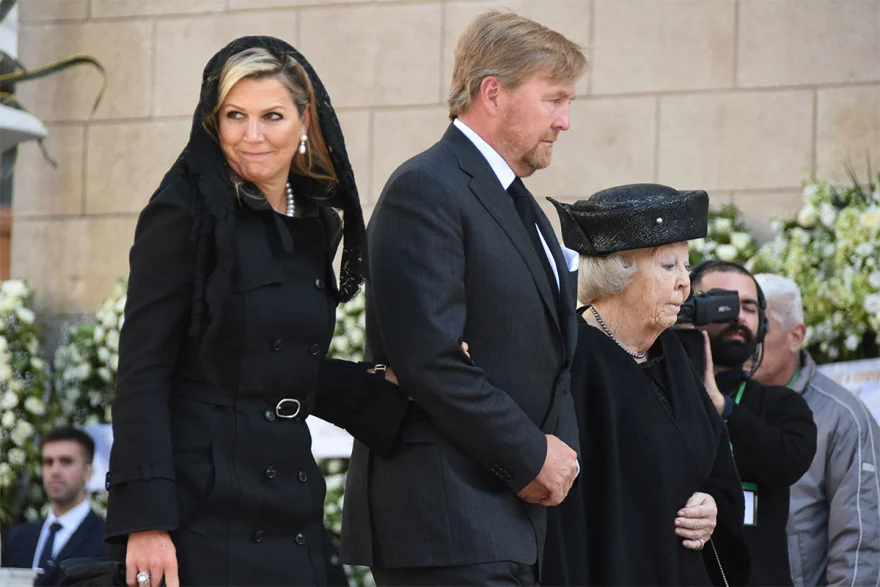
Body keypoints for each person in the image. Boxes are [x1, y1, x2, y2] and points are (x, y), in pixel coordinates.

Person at [103, 36, 410, 587]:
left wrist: (387, 381)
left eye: (272, 116)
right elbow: (142, 372)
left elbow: (273, 360)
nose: (252, 135)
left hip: (289, 492)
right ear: (213, 122)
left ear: (303, 120)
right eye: (235, 116)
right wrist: (145, 522)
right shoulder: (180, 212)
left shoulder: (315, 220)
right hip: (201, 503)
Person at [341, 10, 584, 586]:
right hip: (445, 521)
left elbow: (548, 354)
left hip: (509, 520)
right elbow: (429, 359)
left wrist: (560, 459)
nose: (565, 120)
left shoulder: (517, 202)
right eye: (553, 99)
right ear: (492, 93)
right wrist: (532, 456)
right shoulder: (426, 187)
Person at [541, 184, 750, 586]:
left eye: (686, 266)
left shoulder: (674, 355)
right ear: (617, 272)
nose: (685, 283)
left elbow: (715, 466)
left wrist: (712, 506)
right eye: (668, 266)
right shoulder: (575, 359)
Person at [689, 260, 818, 586]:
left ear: (762, 324)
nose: (738, 316)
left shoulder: (782, 405)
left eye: (748, 307)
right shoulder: (656, 393)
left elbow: (786, 462)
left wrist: (724, 408)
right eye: (723, 303)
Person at [753, 273, 880, 586]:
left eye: (761, 327)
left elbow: (859, 543)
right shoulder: (718, 401)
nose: (746, 339)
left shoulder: (842, 418)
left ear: (796, 336)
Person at [1, 427, 107, 586]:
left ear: (88, 471)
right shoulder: (17, 537)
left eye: (66, 461)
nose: (55, 471)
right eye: (48, 462)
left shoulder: (107, 540)